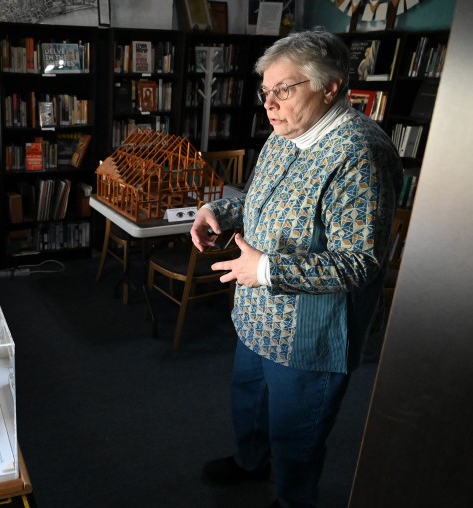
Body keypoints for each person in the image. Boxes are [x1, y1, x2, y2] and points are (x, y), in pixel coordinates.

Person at [190, 28, 401, 508]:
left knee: (296, 437)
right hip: (256, 318)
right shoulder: (286, 133)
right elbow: (258, 199)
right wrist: (217, 213)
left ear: (330, 86)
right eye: (266, 90)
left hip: (308, 335)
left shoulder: (360, 154)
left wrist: (265, 270)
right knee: (250, 406)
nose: (270, 102)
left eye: (284, 89)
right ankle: (250, 464)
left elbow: (360, 261)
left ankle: (292, 502)